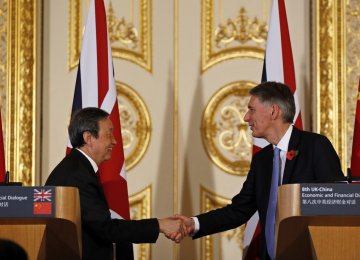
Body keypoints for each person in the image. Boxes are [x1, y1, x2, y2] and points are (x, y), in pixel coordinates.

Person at [174, 81, 345, 259]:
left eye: (251, 109)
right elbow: (239, 210)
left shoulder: (315, 146)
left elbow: (336, 205)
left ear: (273, 111)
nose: (246, 117)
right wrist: (194, 223)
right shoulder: (262, 160)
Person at [45, 107, 184, 260]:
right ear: (89, 138)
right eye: (109, 133)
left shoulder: (78, 167)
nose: (115, 141)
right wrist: (160, 225)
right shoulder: (77, 174)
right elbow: (106, 229)